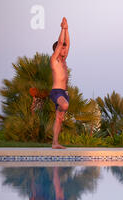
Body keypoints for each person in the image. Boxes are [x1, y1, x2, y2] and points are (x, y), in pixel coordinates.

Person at [49, 17, 70, 149]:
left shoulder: (63, 62)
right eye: (62, 49)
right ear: (57, 50)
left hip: (64, 92)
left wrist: (67, 29)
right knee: (65, 106)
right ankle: (55, 143)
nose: (64, 50)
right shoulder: (54, 60)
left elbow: (67, 43)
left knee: (59, 118)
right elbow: (62, 42)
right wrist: (62, 29)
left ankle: (55, 143)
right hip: (56, 92)